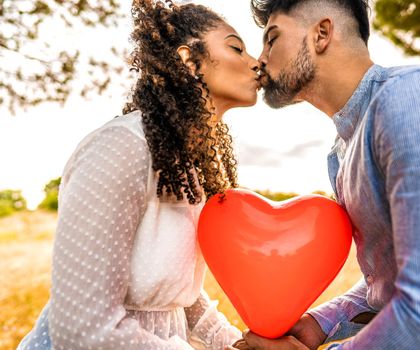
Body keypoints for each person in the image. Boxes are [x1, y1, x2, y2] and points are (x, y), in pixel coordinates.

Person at [235, 0, 420, 349]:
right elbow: (394, 277)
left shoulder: (416, 99)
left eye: (272, 38)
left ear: (322, 34)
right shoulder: (341, 155)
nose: (261, 58)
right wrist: (319, 324)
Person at [17, 1, 261, 349]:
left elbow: (174, 295)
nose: (255, 62)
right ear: (189, 61)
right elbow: (83, 329)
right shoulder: (121, 148)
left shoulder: (186, 166)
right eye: (236, 47)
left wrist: (234, 344)